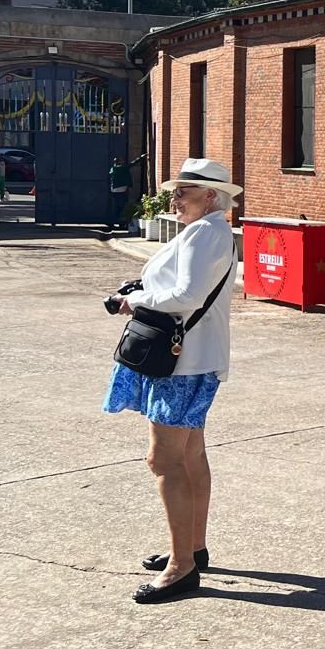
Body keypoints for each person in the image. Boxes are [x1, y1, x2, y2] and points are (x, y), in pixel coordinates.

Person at [103, 157, 240, 604]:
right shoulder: (208, 230)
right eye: (175, 191)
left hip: (183, 362)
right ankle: (193, 548)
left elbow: (186, 295)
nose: (175, 199)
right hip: (193, 358)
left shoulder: (206, 233)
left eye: (184, 191)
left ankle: (181, 568)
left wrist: (136, 300)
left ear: (211, 196)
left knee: (163, 459)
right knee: (190, 454)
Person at [108, 156, 132, 229]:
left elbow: (110, 176)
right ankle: (121, 224)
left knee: (115, 208)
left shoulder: (112, 169)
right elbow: (132, 164)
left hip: (114, 191)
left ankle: (112, 223)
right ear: (120, 162)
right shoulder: (123, 168)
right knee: (122, 208)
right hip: (122, 191)